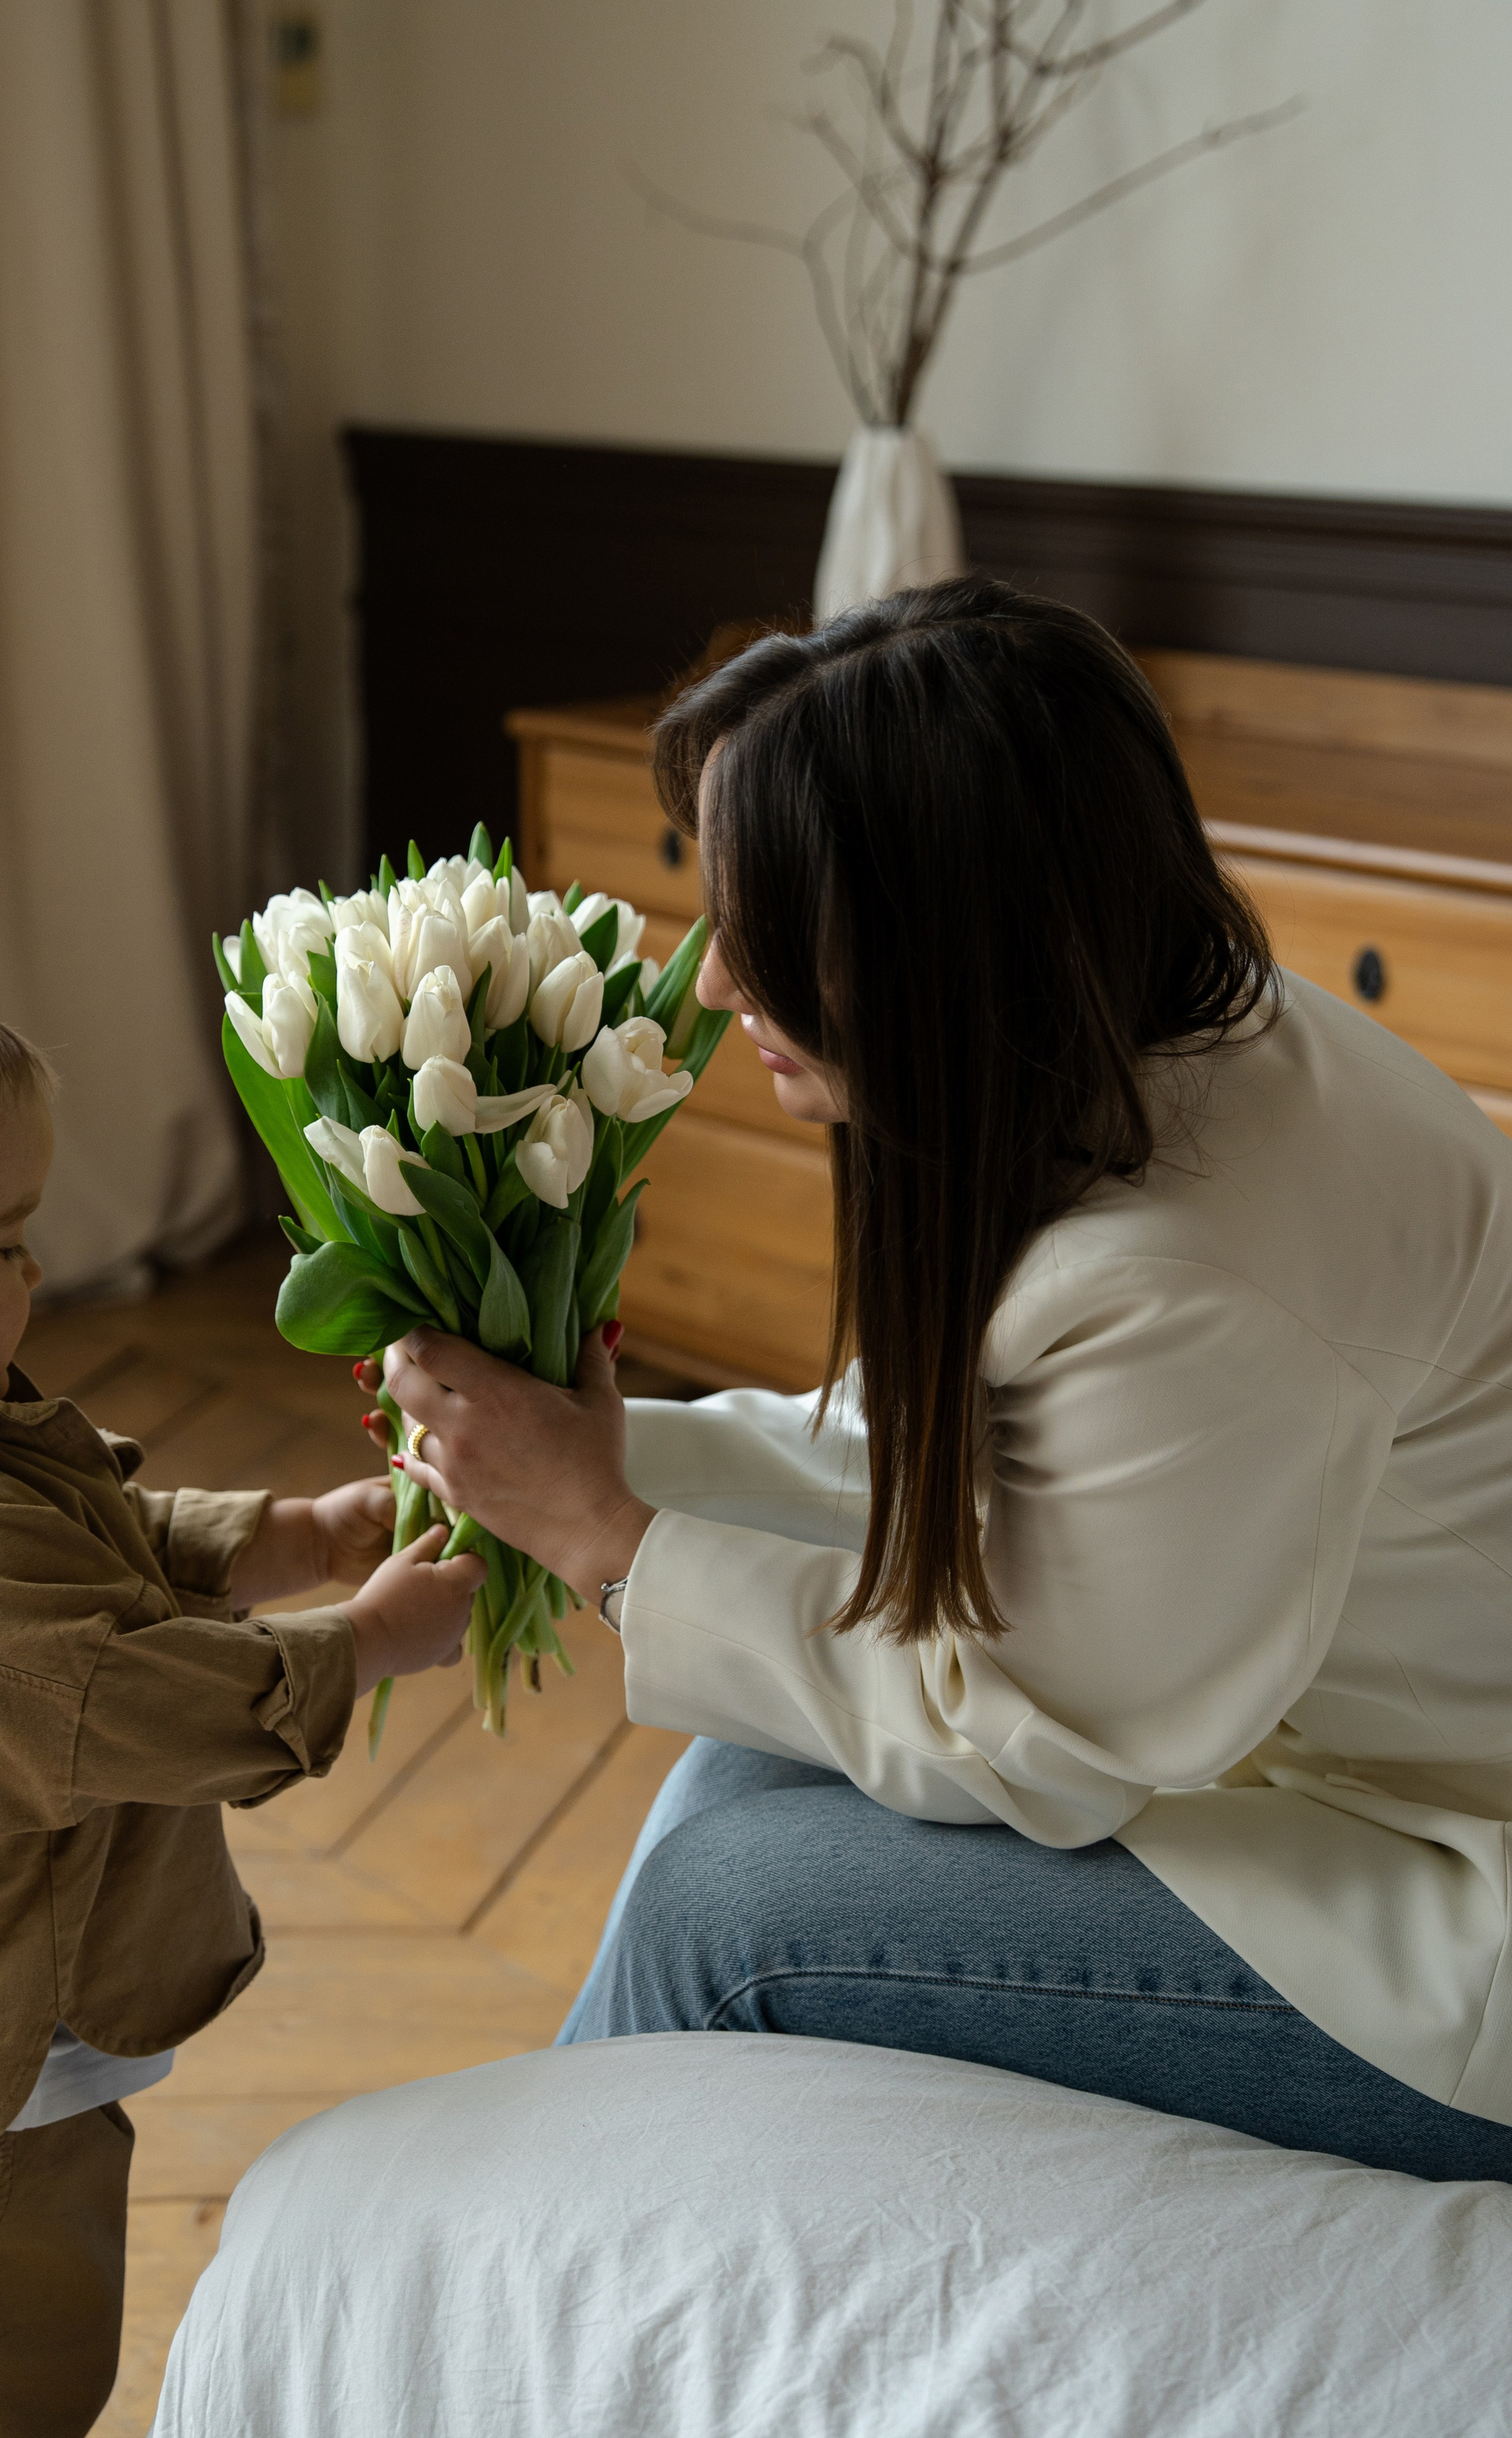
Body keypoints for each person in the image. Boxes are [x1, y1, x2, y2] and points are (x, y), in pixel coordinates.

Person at [375, 576, 1512, 2183]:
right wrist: (573, 1463)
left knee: (722, 1910)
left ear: (937, 946)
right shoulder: (1174, 1041)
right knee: (746, 1758)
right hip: (1320, 1751)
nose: (714, 983)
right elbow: (967, 1477)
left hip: (1461, 1898)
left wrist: (608, 1543)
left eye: (765, 927)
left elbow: (1037, 1739)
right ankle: (599, 2243)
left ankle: (534, 2262)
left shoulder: (1187, 1279)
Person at [0, 964, 482, 2438]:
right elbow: (130, 1698)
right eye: (6, 1241)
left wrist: (288, 1539)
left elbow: (76, 1542)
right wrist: (364, 1640)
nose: (38, 1271)